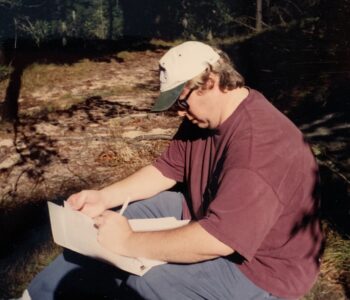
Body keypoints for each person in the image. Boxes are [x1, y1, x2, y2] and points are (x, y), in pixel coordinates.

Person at [24, 41, 323, 300]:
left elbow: (217, 240)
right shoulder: (207, 116)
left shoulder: (259, 146)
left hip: (263, 270)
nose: (179, 112)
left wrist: (127, 241)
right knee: (103, 224)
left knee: (150, 284)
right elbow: (166, 170)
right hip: (207, 213)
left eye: (181, 101)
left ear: (211, 81)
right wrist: (103, 197)